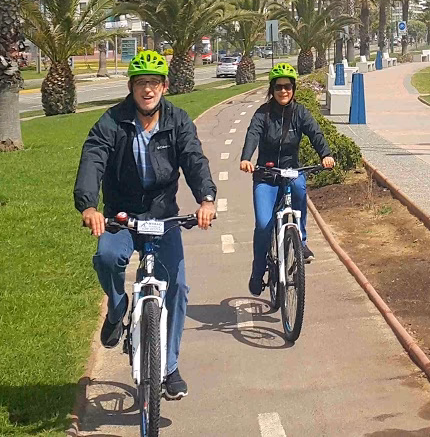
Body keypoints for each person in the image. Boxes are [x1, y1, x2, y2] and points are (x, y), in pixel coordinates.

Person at [74, 50, 216, 402]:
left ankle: (169, 368)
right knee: (107, 258)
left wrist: (206, 198)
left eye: (154, 82)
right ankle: (117, 307)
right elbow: (93, 158)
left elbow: (194, 159)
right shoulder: (112, 121)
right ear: (131, 88)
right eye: (141, 83)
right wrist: (89, 205)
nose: (147, 89)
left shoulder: (178, 121)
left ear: (164, 86)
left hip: (163, 216)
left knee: (177, 286)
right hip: (122, 216)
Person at [240, 62, 336, 297]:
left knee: (300, 189)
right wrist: (246, 158)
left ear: (293, 89)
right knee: (264, 224)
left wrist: (325, 154)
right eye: (279, 87)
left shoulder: (300, 113)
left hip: (291, 171)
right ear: (272, 89)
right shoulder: (262, 113)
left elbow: (315, 133)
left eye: (288, 87)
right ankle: (258, 270)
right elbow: (252, 134)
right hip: (266, 176)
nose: (283, 91)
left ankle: (300, 241)